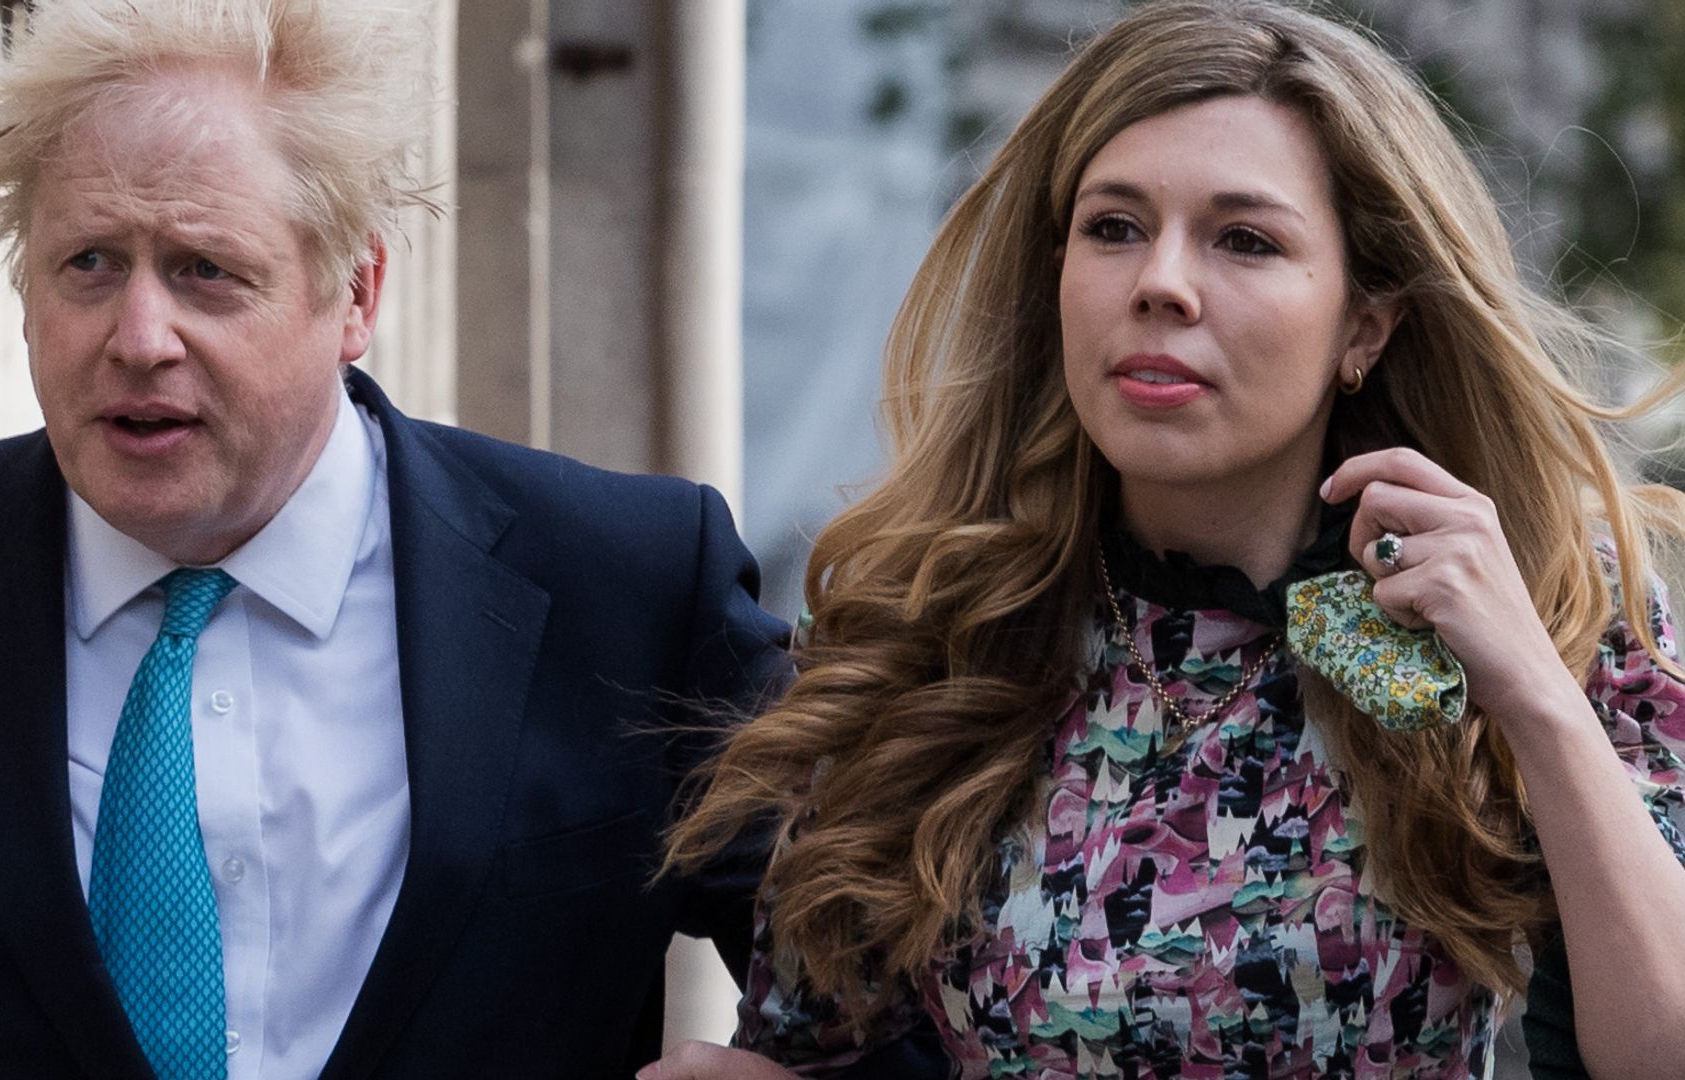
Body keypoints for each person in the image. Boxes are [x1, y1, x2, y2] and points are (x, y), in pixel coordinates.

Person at [650, 1, 1685, 1078]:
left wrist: (1537, 702)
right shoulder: (937, 622)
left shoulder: (1536, 602)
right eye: (1114, 227)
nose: (1162, 283)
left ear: (1364, 324)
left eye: (1245, 239)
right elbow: (817, 1046)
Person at [0, 1, 797, 1077]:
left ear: (354, 293)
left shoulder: (626, 590)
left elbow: (908, 998)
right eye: (88, 264)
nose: (139, 338)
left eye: (206, 269)